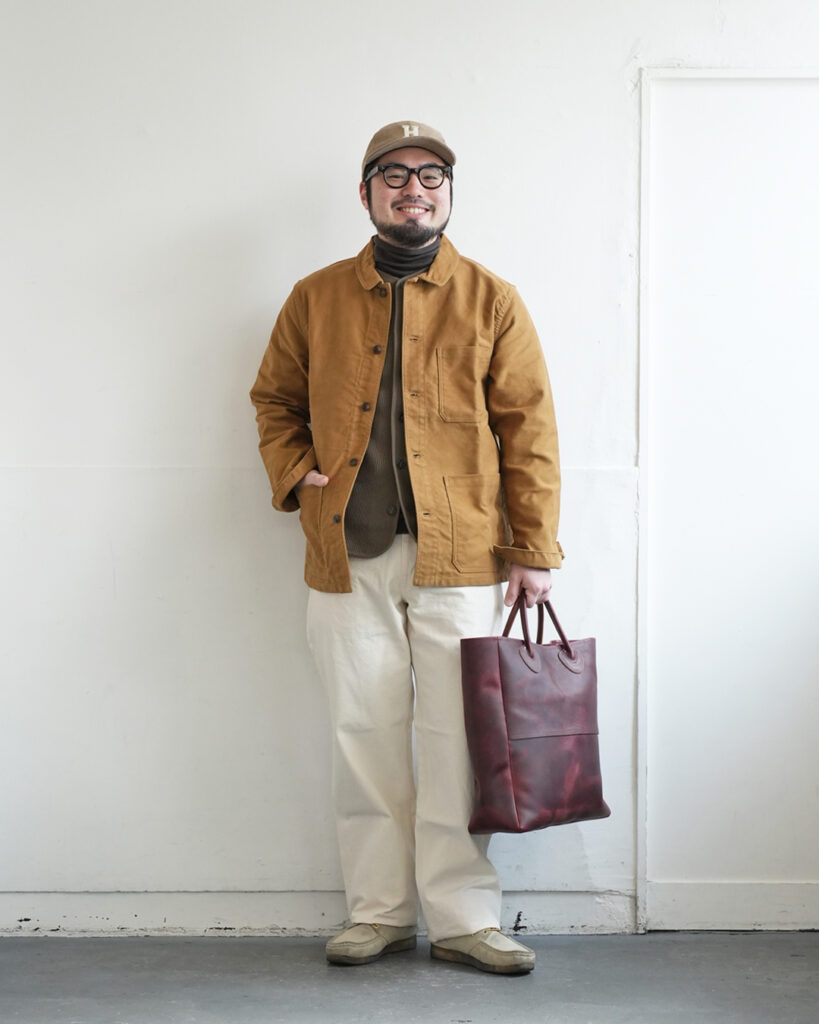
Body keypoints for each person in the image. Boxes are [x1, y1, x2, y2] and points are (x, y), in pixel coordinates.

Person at [250, 120, 563, 975]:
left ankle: (463, 919)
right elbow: (274, 400)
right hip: (344, 553)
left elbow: (528, 428)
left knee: (458, 740)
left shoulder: (491, 299)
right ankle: (379, 913)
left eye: (430, 176)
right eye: (393, 176)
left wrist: (534, 548)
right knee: (363, 735)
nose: (413, 189)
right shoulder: (314, 297)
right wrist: (297, 473)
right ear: (366, 194)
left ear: (448, 194)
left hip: (461, 555)